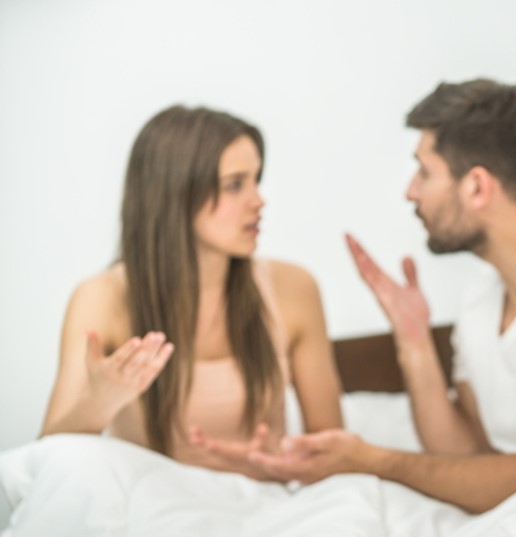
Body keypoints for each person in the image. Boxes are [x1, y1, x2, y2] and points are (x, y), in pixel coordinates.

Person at [212, 78, 516, 512]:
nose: (410, 191)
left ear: (477, 186)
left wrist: (373, 460)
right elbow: (466, 455)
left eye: (424, 171)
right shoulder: (483, 289)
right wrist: (414, 342)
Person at [40, 105, 344, 480]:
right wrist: (99, 403)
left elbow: (334, 452)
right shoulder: (101, 299)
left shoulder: (294, 288)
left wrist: (279, 463)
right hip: (154, 515)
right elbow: (47, 459)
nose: (258, 200)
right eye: (235, 184)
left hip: (266, 505)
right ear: (175, 194)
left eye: (256, 180)